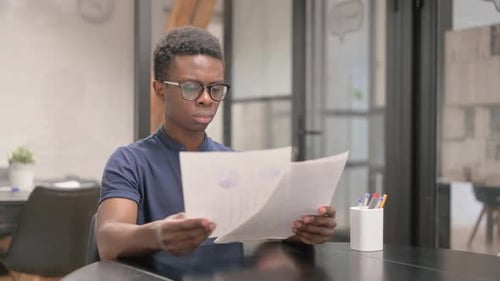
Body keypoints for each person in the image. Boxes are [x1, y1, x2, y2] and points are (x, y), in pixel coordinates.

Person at [96, 26, 337, 278]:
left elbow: (272, 233)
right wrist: (157, 234)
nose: (206, 99)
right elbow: (108, 239)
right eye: (191, 87)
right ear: (160, 90)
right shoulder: (130, 161)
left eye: (215, 88)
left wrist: (304, 230)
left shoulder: (234, 163)